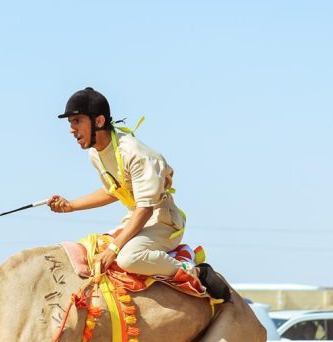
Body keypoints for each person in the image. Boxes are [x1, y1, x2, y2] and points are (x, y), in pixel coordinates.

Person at [48, 87, 228, 299]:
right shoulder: (95, 154)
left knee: (127, 259)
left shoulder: (135, 153)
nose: (72, 129)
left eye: (77, 121)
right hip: (134, 219)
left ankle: (194, 270)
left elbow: (145, 208)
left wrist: (114, 249)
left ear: (98, 121)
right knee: (90, 251)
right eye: (70, 123)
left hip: (163, 222)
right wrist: (70, 206)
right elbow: (112, 191)